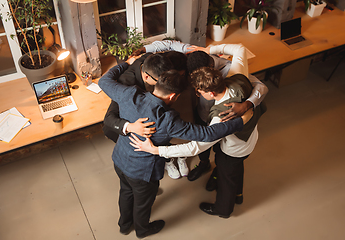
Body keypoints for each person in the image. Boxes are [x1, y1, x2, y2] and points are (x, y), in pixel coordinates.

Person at [98, 56, 252, 238]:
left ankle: (124, 225)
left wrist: (127, 64)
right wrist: (240, 121)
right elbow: (207, 134)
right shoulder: (167, 120)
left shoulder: (129, 94)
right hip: (142, 171)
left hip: (120, 159)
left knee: (125, 192)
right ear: (173, 96)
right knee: (142, 202)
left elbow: (103, 80)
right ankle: (142, 230)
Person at [129, 44, 266, 218]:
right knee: (235, 169)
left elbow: (195, 147)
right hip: (251, 135)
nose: (198, 94)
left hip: (234, 148)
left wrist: (156, 150)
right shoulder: (237, 75)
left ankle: (223, 209)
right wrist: (209, 50)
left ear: (209, 92)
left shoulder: (221, 116)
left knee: (228, 175)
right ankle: (238, 195)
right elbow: (240, 49)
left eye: (199, 91)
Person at [102, 51, 190, 179]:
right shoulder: (127, 84)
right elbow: (109, 119)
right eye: (159, 81)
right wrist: (130, 127)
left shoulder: (151, 58)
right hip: (132, 126)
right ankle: (161, 164)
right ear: (147, 77)